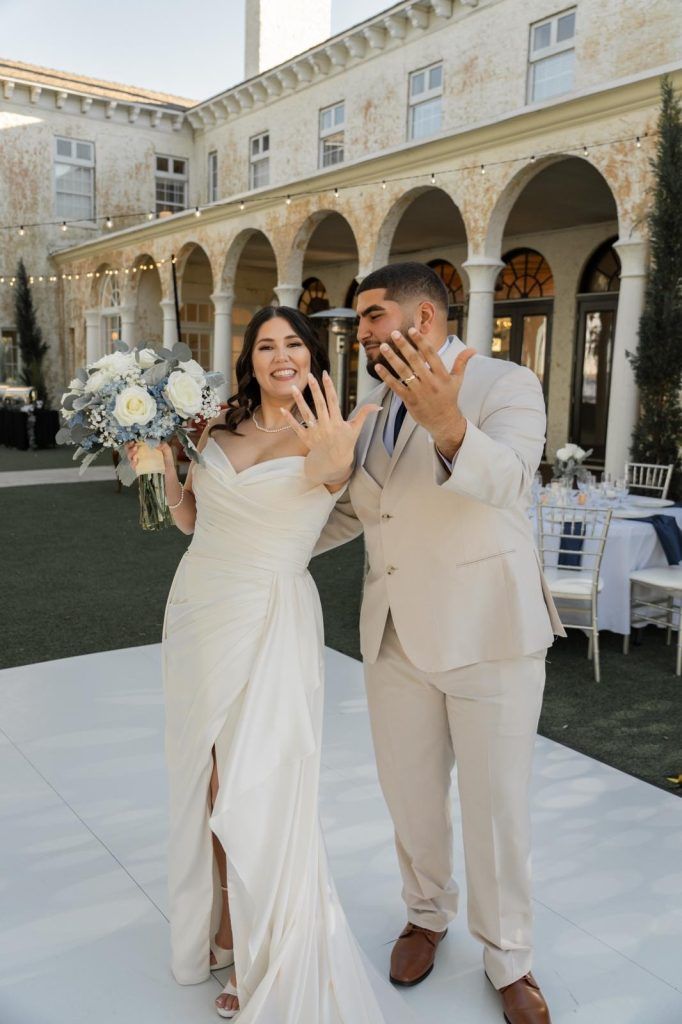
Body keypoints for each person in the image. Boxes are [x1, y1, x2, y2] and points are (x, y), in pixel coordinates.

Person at [128, 306, 414, 1022]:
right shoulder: (219, 426)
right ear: (248, 358)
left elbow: (327, 477)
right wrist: (159, 465)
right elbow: (193, 518)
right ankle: (223, 930)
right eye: (265, 345)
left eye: (293, 344)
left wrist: (333, 453)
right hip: (196, 607)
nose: (279, 355)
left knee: (257, 787)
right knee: (208, 776)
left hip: (270, 617)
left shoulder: (330, 436)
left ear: (313, 357)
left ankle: (269, 945)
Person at [310, 262, 564, 1024]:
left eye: (374, 317)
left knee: (495, 809)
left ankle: (509, 957)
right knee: (411, 798)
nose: (362, 335)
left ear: (424, 320)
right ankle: (426, 915)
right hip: (392, 637)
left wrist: (450, 425)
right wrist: (267, 544)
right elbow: (364, 512)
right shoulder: (374, 406)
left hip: (489, 632)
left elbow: (513, 480)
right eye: (359, 322)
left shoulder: (504, 384)